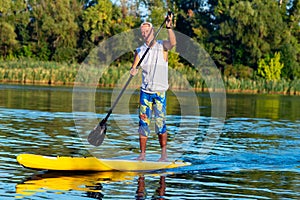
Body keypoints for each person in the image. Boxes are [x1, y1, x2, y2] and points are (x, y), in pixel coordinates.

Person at [130, 14, 176, 161]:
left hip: (160, 92)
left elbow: (173, 43)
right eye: (142, 32)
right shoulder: (139, 50)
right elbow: (134, 67)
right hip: (145, 92)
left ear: (153, 31)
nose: (144, 34)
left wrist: (169, 27)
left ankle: (163, 155)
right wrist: (133, 70)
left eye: (147, 31)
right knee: (143, 124)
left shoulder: (162, 46)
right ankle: (142, 154)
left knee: (160, 124)